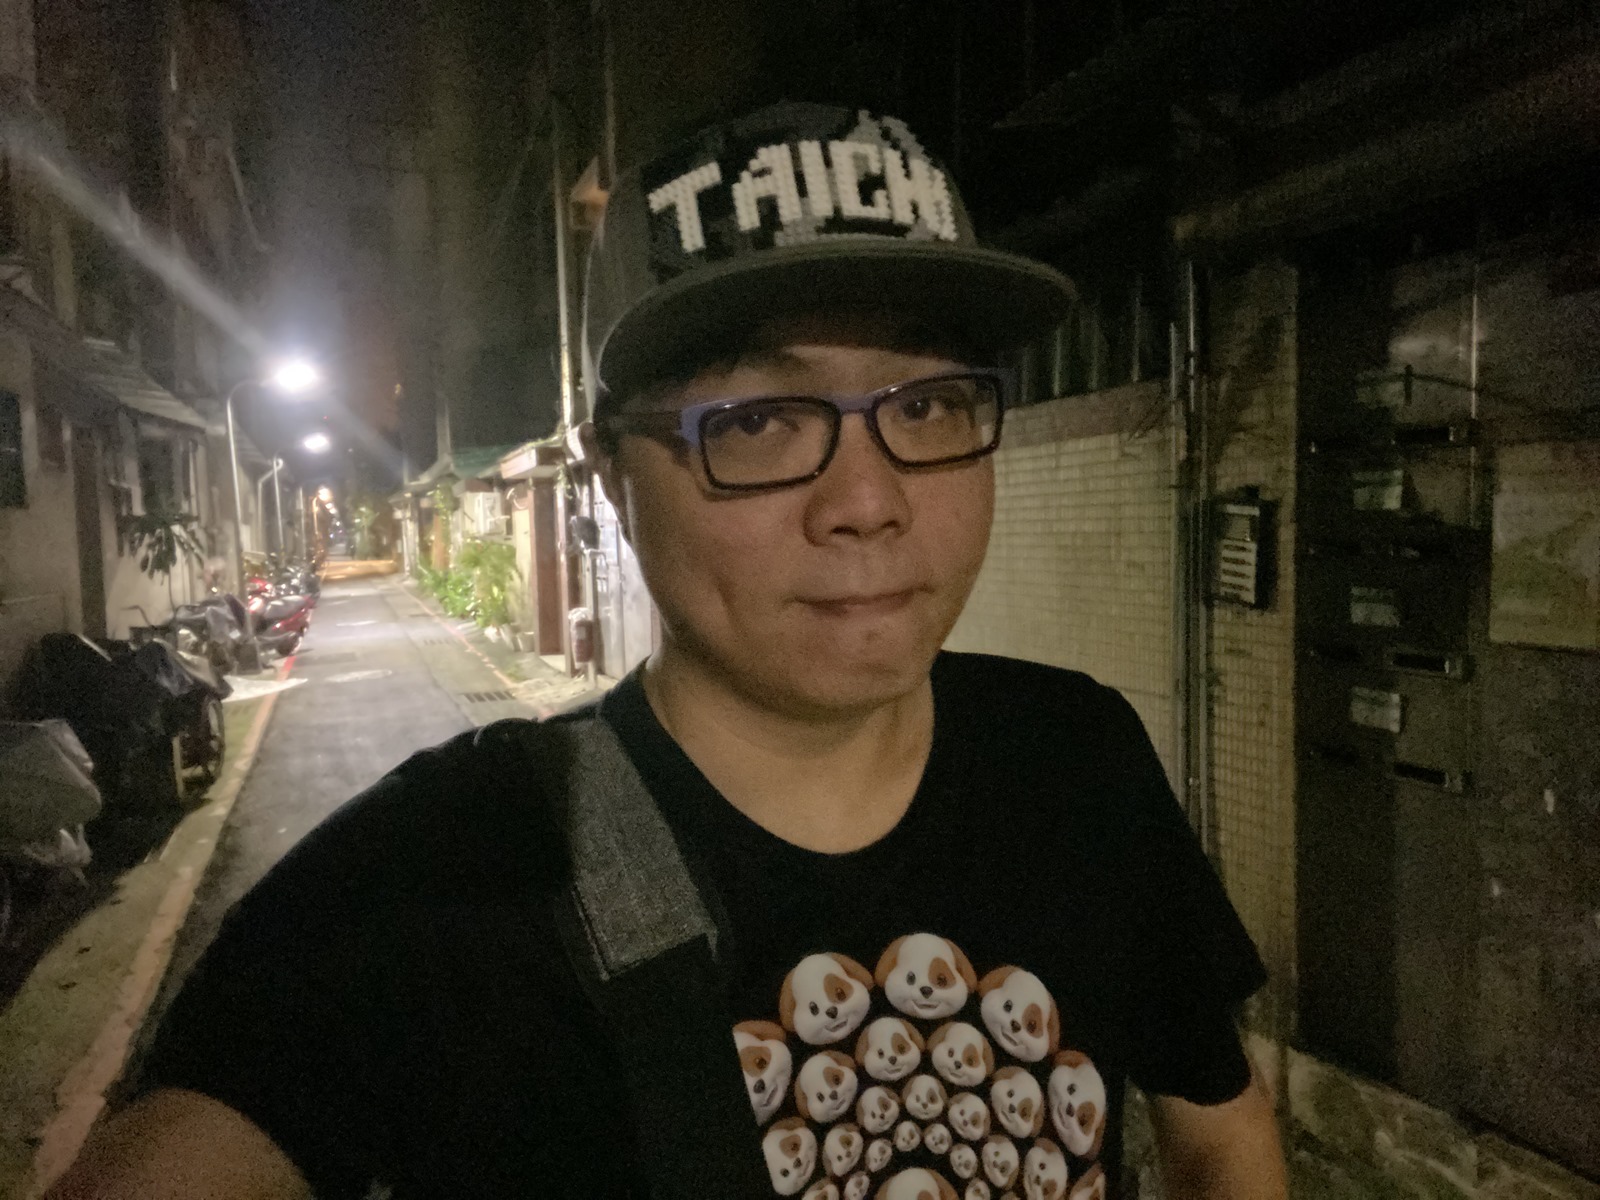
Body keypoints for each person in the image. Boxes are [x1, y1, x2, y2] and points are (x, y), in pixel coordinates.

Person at [49, 103, 1287, 1200]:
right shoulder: (442, 881)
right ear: (609, 473)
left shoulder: (1078, 759)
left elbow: (1222, 1135)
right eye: (757, 420)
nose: (868, 502)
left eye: (924, 405)